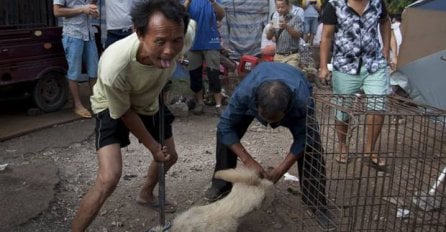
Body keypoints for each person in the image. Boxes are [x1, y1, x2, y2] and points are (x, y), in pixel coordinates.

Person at [71, 0, 195, 231]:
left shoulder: (183, 33)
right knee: (109, 178)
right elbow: (125, 112)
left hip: (149, 99)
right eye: (159, 42)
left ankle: (146, 194)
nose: (169, 51)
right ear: (138, 33)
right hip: (112, 105)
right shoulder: (114, 66)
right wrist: (152, 146)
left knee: (171, 156)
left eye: (176, 41)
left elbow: (188, 27)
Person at [204, 62, 336, 231]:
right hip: (259, 83)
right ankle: (220, 186)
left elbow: (304, 138)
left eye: (275, 119)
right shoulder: (245, 94)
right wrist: (248, 161)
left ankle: (316, 202)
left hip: (294, 90)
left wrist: (280, 170)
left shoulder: (302, 101)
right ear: (256, 104)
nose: (268, 124)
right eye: (264, 117)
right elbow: (225, 126)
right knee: (226, 134)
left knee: (312, 144)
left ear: (286, 110)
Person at [318, 0, 391, 167]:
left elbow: (385, 22)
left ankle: (369, 150)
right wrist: (323, 66)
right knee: (342, 110)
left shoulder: (377, 2)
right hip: (345, 65)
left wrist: (386, 49)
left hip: (374, 64)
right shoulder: (333, 5)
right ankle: (343, 145)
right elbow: (326, 36)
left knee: (378, 104)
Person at [53, 0, 99, 119]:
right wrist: (82, 9)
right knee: (74, 72)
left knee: (94, 71)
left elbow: (92, 3)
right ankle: (78, 105)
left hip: (89, 33)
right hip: (73, 35)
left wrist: (93, 9)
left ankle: (97, 103)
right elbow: (57, 11)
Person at [183, 0, 226, 115]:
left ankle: (218, 105)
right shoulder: (189, 2)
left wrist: (213, 2)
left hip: (211, 42)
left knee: (214, 74)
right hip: (193, 42)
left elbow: (221, 15)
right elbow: (181, 14)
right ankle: (200, 103)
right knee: (195, 75)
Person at [266, 0, 304, 68]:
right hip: (278, 56)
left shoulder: (296, 18)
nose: (280, 10)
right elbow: (268, 37)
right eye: (278, 7)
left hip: (292, 56)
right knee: (278, 77)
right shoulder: (275, 19)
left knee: (290, 75)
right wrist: (271, 29)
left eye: (282, 7)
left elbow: (298, 35)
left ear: (288, 6)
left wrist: (286, 26)